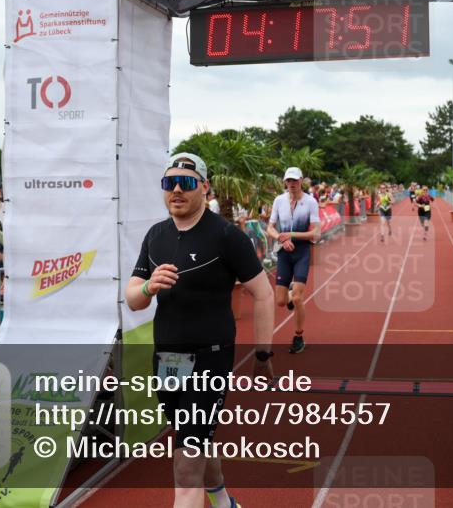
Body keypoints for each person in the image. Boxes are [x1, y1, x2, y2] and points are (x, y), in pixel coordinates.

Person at [125, 152, 273, 508]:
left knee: (185, 466)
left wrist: (264, 354)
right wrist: (147, 288)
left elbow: (264, 294)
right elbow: (133, 299)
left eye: (186, 183)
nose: (176, 189)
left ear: (204, 187)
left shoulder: (226, 235)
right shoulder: (155, 235)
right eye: (169, 183)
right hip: (167, 360)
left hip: (210, 359)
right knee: (193, 440)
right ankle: (224, 501)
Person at [266, 166, 321, 355]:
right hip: (283, 253)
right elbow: (270, 228)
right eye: (288, 181)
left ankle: (298, 337)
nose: (291, 184)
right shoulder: (278, 200)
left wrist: (291, 234)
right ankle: (289, 294)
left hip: (302, 252)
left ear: (301, 181)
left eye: (295, 181)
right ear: (284, 182)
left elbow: (316, 232)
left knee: (298, 298)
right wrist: (281, 238)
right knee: (281, 302)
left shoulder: (310, 202)